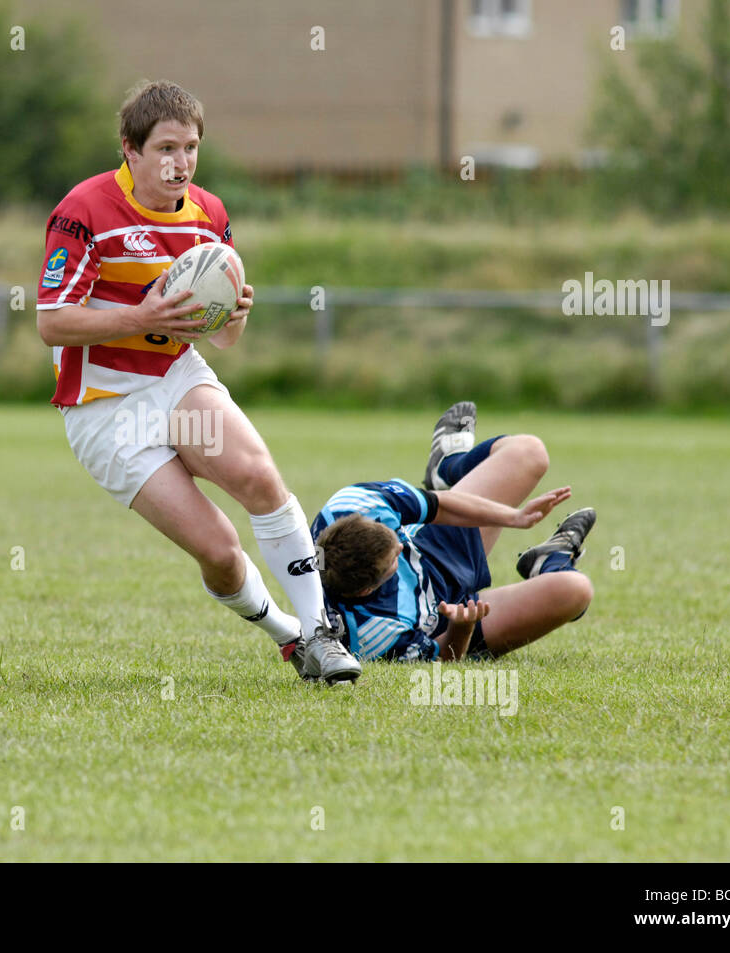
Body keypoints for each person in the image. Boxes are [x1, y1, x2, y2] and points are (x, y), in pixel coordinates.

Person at [36, 80, 359, 683]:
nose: (179, 162)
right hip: (104, 408)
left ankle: (323, 633)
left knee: (259, 477)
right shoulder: (83, 211)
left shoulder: (209, 215)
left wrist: (231, 315)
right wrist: (140, 316)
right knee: (218, 550)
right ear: (129, 150)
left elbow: (223, 340)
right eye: (164, 149)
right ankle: (287, 636)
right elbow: (51, 324)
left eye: (190, 148)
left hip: (175, 377)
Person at [312, 402, 596, 661]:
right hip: (447, 615)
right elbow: (442, 660)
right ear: (367, 589)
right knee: (575, 590)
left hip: (434, 541)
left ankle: (447, 466)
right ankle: (551, 562)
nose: (400, 546)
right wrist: (462, 628)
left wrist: (516, 517)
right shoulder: (374, 633)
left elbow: (439, 505)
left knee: (529, 453)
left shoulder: (354, 503)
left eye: (394, 536)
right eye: (392, 561)